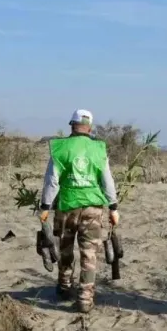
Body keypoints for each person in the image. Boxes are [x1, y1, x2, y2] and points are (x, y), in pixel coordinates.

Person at [39, 109, 119, 313]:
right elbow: (107, 181)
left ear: (71, 125)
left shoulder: (61, 148)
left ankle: (65, 287)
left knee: (65, 250)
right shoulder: (98, 149)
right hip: (93, 209)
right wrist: (113, 207)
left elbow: (52, 181)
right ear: (90, 127)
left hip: (66, 207)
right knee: (89, 254)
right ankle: (85, 298)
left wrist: (45, 206)